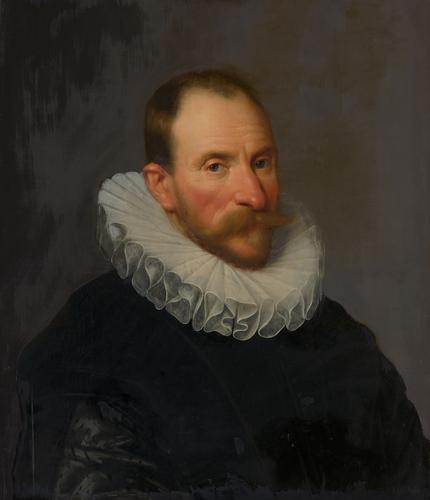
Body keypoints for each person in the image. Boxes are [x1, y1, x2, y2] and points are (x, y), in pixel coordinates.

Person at [14, 70, 429, 499]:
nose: (254, 195)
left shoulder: (336, 334)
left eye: (261, 163)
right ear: (162, 187)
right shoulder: (95, 341)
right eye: (216, 167)